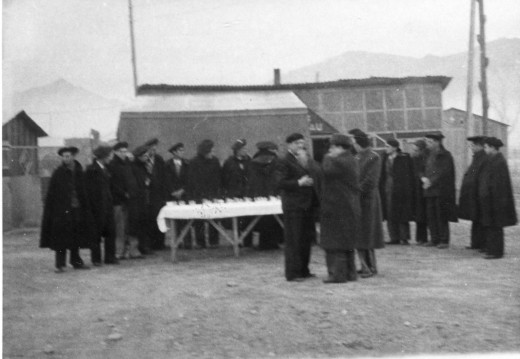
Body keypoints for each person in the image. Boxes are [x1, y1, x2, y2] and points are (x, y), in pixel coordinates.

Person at [275, 133, 320, 282]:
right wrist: (299, 183)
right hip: (293, 205)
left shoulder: (305, 159)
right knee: (294, 240)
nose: (300, 146)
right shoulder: (283, 161)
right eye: (297, 143)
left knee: (306, 239)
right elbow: (280, 182)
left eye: (302, 143)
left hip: (307, 205)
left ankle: (304, 270)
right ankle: (293, 273)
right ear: (289, 145)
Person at [40, 146, 93, 272]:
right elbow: (52, 194)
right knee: (61, 238)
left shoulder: (79, 171)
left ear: (73, 156)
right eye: (63, 156)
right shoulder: (58, 173)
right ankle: (60, 264)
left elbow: (85, 191)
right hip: (62, 212)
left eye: (68, 156)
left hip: (77, 209)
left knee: (76, 236)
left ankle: (76, 262)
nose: (66, 158)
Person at [320, 134, 361, 283]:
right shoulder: (350, 159)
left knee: (334, 243)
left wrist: (326, 157)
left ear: (339, 147)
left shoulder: (338, 161)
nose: (330, 150)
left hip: (337, 206)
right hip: (347, 206)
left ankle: (337, 275)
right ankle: (350, 273)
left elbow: (326, 171)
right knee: (346, 243)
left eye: (332, 147)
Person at [349, 129, 384, 277]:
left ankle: (370, 267)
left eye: (353, 141)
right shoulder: (357, 157)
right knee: (360, 233)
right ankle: (365, 266)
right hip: (358, 199)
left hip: (368, 201)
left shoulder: (373, 157)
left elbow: (371, 181)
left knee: (367, 234)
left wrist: (355, 191)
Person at [477, 137, 517, 259]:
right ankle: (491, 249)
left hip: (496, 201)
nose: (485, 149)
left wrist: (490, 196)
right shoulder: (491, 160)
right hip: (490, 200)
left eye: (486, 147)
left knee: (495, 226)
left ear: (493, 148)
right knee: (490, 225)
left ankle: (496, 252)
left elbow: (498, 184)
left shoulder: (499, 162)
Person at [421, 133, 457, 248]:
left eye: (430, 142)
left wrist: (431, 181)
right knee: (430, 215)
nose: (428, 144)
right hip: (428, 189)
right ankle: (434, 238)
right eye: (427, 142)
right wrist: (423, 178)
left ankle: (443, 240)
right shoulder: (426, 154)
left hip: (441, 190)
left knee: (441, 215)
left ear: (438, 142)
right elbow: (420, 168)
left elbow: (443, 172)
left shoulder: (445, 155)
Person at [185, 139, 222, 249]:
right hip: (199, 196)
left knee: (214, 217)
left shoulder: (215, 161)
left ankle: (214, 241)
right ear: (205, 152)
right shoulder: (194, 162)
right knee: (199, 220)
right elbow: (192, 181)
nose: (213, 153)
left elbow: (218, 178)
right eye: (211, 151)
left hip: (213, 195)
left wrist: (216, 194)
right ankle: (200, 242)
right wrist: (200, 195)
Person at [85, 145, 118, 266]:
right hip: (97, 207)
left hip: (107, 205)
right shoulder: (91, 170)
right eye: (109, 155)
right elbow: (89, 191)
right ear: (103, 156)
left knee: (110, 231)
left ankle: (110, 257)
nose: (111, 158)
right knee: (96, 233)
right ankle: (96, 259)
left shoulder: (106, 168)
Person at [247, 141, 284, 250]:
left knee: (262, 220)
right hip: (273, 193)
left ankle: (264, 243)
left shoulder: (253, 162)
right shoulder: (276, 160)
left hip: (259, 194)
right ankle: (274, 242)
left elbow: (252, 180)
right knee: (274, 219)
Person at [108, 141, 141, 259]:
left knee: (132, 225)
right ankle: (119, 251)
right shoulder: (112, 165)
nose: (124, 154)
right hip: (119, 201)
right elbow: (113, 184)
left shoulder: (129, 164)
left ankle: (133, 250)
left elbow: (134, 179)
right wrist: (123, 194)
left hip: (132, 200)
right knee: (120, 228)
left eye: (125, 151)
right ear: (115, 152)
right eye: (121, 152)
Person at [379, 139, 415, 245]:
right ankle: (394, 237)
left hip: (401, 189)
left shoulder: (404, 157)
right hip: (388, 188)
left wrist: (407, 188)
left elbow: (410, 173)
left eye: (388, 146)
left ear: (394, 147)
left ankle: (404, 237)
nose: (386, 149)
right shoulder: (384, 157)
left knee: (402, 213)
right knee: (390, 212)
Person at [457, 136, 488, 251]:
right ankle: (475, 243)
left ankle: (482, 244)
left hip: (478, 194)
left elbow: (479, 176)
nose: (471, 148)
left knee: (480, 219)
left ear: (480, 146)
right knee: (476, 219)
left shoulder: (483, 158)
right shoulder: (477, 158)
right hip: (474, 194)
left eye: (473, 145)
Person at [222, 139, 253, 246]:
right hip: (234, 194)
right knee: (236, 219)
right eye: (243, 149)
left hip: (247, 194)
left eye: (245, 148)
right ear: (237, 150)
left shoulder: (249, 160)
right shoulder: (229, 162)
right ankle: (237, 240)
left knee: (248, 217)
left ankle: (248, 241)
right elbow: (225, 179)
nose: (245, 150)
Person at [165, 142, 192, 249]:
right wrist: (173, 191)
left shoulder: (187, 164)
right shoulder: (167, 165)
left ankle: (187, 241)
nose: (182, 152)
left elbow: (190, 179)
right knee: (175, 219)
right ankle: (177, 241)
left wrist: (183, 190)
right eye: (180, 150)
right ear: (174, 152)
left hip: (185, 195)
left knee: (186, 218)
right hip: (172, 195)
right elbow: (166, 180)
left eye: (182, 150)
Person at [143, 138, 168, 250]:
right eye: (151, 148)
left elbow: (163, 176)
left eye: (155, 148)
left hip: (158, 194)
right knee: (149, 219)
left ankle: (160, 243)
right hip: (148, 194)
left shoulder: (159, 159)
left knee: (160, 218)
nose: (153, 150)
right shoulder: (144, 160)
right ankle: (150, 244)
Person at [130, 145, 155, 255]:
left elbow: (147, 180)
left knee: (146, 223)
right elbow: (139, 183)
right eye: (144, 156)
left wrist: (149, 174)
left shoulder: (144, 166)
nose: (146, 157)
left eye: (147, 155)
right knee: (138, 224)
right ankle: (140, 247)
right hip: (137, 199)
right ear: (138, 156)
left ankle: (145, 246)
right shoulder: (134, 167)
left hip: (145, 198)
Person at [410, 139, 429, 244]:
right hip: (416, 189)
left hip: (422, 188)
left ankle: (424, 237)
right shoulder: (414, 159)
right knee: (419, 215)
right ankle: (420, 237)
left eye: (416, 150)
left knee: (423, 214)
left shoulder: (423, 159)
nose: (414, 152)